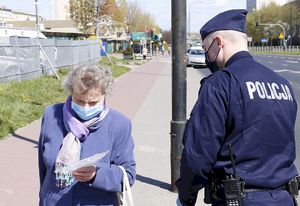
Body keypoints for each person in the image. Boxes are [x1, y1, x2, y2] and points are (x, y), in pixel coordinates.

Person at [176, 9, 298, 206]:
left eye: (207, 50)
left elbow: (198, 155)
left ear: (218, 42)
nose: (208, 57)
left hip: (239, 199)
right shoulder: (283, 84)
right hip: (285, 198)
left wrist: (185, 197)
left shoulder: (220, 84)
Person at [38, 65, 136, 205]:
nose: (86, 107)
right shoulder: (51, 115)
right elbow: (43, 169)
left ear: (104, 95)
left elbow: (129, 175)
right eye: (79, 101)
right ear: (71, 92)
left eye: (93, 102)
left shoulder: (119, 124)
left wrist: (96, 175)